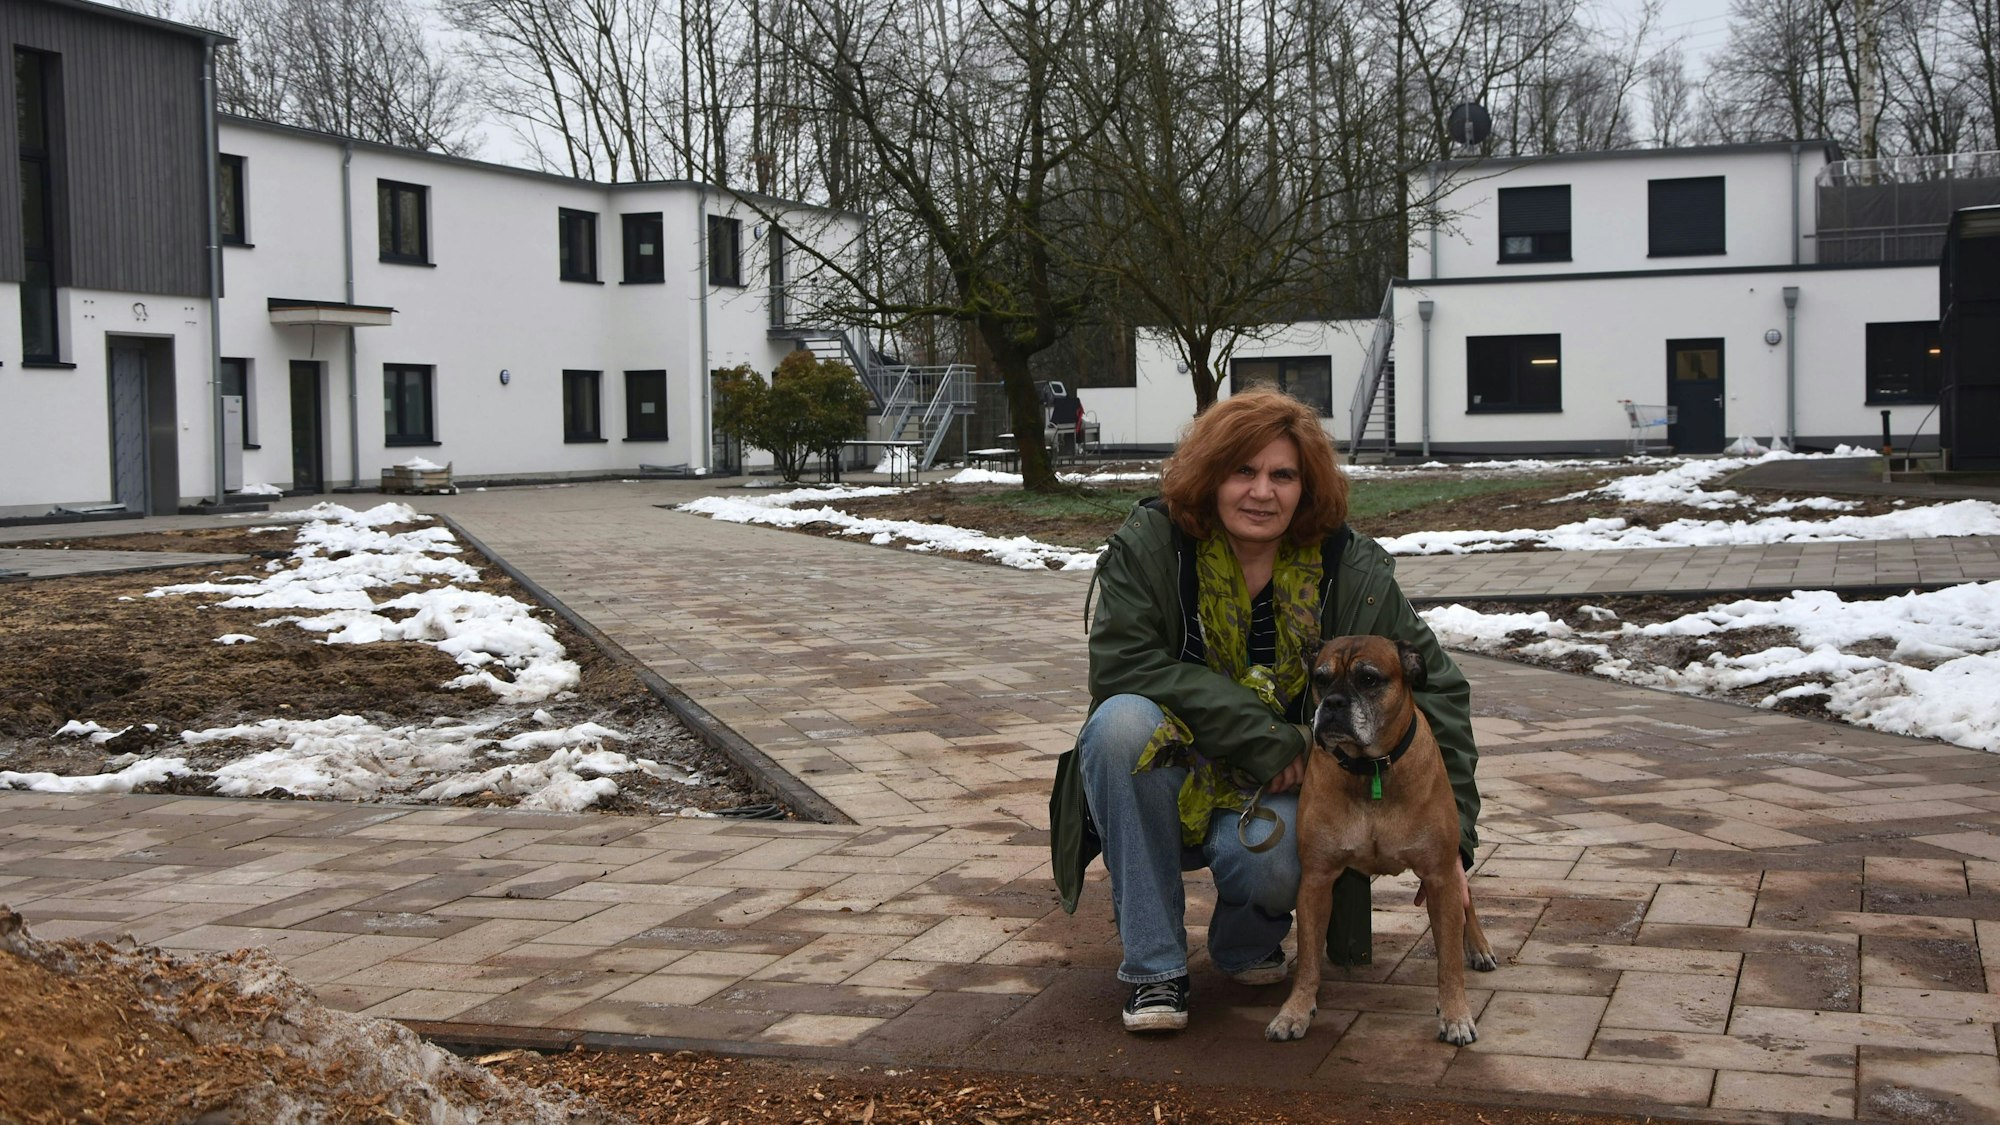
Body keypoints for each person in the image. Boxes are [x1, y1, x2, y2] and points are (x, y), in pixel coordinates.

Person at [1048, 389, 1480, 1033]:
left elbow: (1436, 692)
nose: (1261, 492)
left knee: (1284, 858)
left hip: (1284, 783)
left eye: (1283, 475)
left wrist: (1455, 842)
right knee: (1118, 726)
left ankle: (1246, 941)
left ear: (1307, 487)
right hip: (1177, 762)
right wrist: (1264, 736)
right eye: (1242, 471)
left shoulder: (1348, 568)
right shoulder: (1153, 545)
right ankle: (1154, 968)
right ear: (1209, 476)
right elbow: (1121, 665)